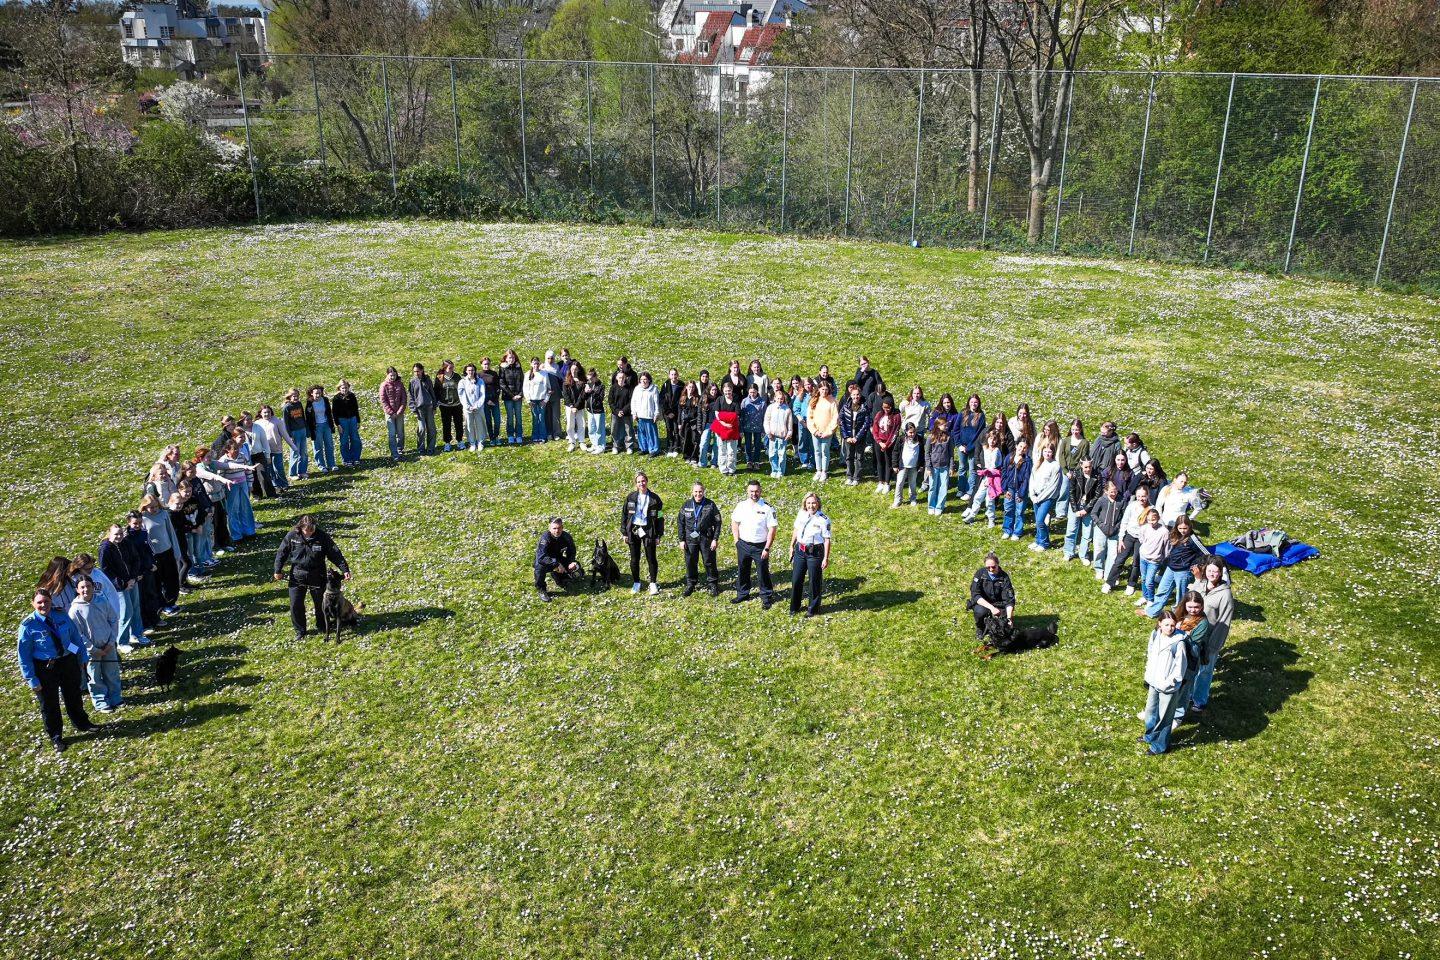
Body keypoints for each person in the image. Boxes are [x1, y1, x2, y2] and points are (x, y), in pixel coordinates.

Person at [16, 589, 96, 752]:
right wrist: (32, 679)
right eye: (39, 602)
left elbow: (75, 638)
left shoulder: (61, 616)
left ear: (51, 601)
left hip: (67, 661)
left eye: (46, 601)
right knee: (49, 703)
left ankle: (82, 723)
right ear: (33, 604)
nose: (43, 605)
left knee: (73, 695)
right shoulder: (28, 625)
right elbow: (24, 656)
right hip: (45, 667)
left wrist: (82, 657)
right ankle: (56, 736)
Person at [272, 515, 350, 641]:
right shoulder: (292, 536)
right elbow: (282, 552)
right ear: (300, 527)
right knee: (295, 604)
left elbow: (334, 553)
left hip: (317, 574)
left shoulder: (322, 536)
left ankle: (322, 626)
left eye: (312, 529)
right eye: (307, 530)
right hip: (297, 575)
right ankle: (300, 631)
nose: (310, 532)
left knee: (321, 603)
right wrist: (277, 570)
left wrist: (344, 569)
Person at [69, 576, 121, 713]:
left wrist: (111, 642)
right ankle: (100, 701)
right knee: (94, 676)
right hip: (91, 651)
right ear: (77, 590)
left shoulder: (102, 601)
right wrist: (92, 649)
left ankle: (115, 697)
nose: (86, 589)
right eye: (82, 587)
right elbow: (78, 634)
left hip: (108, 645)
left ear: (93, 587)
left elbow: (113, 620)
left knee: (112, 672)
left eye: (88, 586)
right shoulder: (74, 610)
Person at [1140, 609, 1189, 756]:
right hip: (1154, 681)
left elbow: (1180, 667)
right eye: (1167, 625)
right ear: (1159, 623)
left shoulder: (1179, 642)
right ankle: (1150, 736)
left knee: (1164, 717)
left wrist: (1170, 683)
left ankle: (1160, 746)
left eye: (1173, 625)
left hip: (1168, 686)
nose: (1170, 628)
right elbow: (1150, 654)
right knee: (1151, 712)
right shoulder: (1155, 635)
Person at [1143, 515, 1209, 618]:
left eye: (1185, 528)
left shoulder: (1193, 539)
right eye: (1180, 528)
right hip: (1171, 568)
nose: (1182, 531)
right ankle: (1152, 612)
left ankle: (1178, 615)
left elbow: (1206, 554)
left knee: (1181, 596)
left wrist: (1194, 565)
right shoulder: (1174, 535)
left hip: (1183, 571)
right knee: (1162, 591)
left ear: (1190, 527)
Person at [1191, 559, 1234, 715]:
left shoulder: (1225, 594)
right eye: (1209, 570)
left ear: (1221, 572)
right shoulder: (1200, 585)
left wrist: (1213, 647)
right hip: (1192, 636)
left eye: (1215, 571)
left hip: (1209, 640)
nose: (1212, 574)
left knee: (1205, 671)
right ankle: (1188, 694)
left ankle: (1199, 700)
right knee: (1191, 668)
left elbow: (1224, 622)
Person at [731, 480, 778, 609]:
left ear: (760, 491)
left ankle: (766, 596)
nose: (754, 494)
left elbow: (772, 530)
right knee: (743, 570)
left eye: (756, 491)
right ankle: (743, 594)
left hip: (760, 546)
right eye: (751, 491)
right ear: (747, 491)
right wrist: (737, 541)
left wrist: (767, 548)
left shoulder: (767, 508)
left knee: (762, 572)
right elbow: (735, 523)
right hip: (743, 544)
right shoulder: (741, 506)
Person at [1170, 591, 1211, 729]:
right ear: (1184, 604)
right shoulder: (1179, 615)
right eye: (1190, 606)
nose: (1193, 610)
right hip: (1171, 658)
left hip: (1189, 662)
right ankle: (1156, 710)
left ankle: (1177, 716)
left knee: (1183, 690)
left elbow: (1193, 644)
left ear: (1202, 606)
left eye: (1197, 607)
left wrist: (1179, 634)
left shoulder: (1203, 623)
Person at [788, 492, 832, 617]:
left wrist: (825, 558)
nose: (811, 506)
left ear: (818, 504)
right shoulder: (801, 514)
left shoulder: (823, 519)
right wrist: (791, 545)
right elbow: (796, 530)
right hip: (800, 551)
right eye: (808, 503)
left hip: (815, 553)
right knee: (796, 579)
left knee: (814, 581)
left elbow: (827, 539)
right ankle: (794, 607)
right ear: (805, 504)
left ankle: (813, 609)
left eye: (813, 503)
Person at [621, 473, 664, 595]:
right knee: (634, 559)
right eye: (639, 482)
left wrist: (658, 535)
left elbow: (660, 517)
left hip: (649, 530)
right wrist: (624, 532)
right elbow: (624, 515)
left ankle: (653, 583)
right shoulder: (631, 497)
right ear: (636, 484)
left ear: (647, 481)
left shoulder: (655, 499)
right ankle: (636, 582)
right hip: (634, 530)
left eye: (643, 481)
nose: (642, 483)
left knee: (651, 558)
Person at [139, 495, 182, 615]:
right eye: (151, 507)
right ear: (145, 507)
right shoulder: (142, 519)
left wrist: (176, 551)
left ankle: (171, 601)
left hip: (167, 551)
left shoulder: (163, 514)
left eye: (156, 506)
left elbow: (171, 532)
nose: (154, 509)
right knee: (158, 581)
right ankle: (162, 605)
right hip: (155, 555)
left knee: (172, 579)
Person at [678, 481, 721, 597]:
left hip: (706, 537)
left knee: (709, 561)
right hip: (690, 538)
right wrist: (681, 540)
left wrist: (715, 539)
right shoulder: (686, 505)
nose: (698, 494)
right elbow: (680, 523)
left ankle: (713, 584)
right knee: (690, 561)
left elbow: (718, 522)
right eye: (696, 492)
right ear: (692, 492)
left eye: (700, 491)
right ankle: (691, 584)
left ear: (704, 492)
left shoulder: (710, 505)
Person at [1063, 457, 1102, 563]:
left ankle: (1083, 555)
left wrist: (1087, 509)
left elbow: (1097, 495)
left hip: (1088, 508)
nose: (1088, 469)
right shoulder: (1076, 474)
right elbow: (1071, 492)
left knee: (1087, 534)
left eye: (1089, 466)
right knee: (1071, 530)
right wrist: (1075, 510)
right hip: (1075, 505)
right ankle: (1068, 552)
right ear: (1081, 465)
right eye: (1085, 467)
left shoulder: (1097, 475)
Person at [969, 552, 1015, 640]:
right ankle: (980, 628)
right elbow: (975, 595)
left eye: (993, 567)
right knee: (980, 612)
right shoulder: (980, 574)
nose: (990, 569)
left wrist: (1009, 618)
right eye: (988, 567)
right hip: (983, 603)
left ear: (998, 565)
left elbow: (1009, 600)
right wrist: (991, 608)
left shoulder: (1004, 577)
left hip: (999, 604)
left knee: (1004, 623)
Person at [963, 428, 1004, 526]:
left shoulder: (997, 451)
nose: (992, 441)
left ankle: (991, 519)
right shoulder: (985, 449)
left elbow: (995, 466)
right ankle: (972, 515)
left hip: (993, 477)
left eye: (994, 439)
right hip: (985, 476)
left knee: (989, 500)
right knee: (977, 497)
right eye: (990, 438)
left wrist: (989, 479)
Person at [1090, 479, 1126, 585]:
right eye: (1111, 491)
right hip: (1100, 530)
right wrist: (1100, 525)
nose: (1114, 493)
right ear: (1106, 491)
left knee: (1113, 554)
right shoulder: (1101, 500)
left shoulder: (1121, 501)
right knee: (1099, 549)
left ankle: (1109, 574)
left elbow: (1123, 517)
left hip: (1114, 532)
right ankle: (1099, 569)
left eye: (1115, 491)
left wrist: (1117, 527)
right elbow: (1093, 513)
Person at [533, 517, 578, 601]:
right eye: (554, 528)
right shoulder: (545, 539)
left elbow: (572, 551)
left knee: (577, 568)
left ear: (562, 527)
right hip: (546, 561)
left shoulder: (566, 537)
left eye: (559, 528)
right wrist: (556, 564)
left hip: (558, 558)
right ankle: (541, 589)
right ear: (549, 528)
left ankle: (560, 577)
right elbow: (541, 557)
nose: (557, 531)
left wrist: (571, 562)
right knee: (539, 568)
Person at [1028, 443, 1062, 551]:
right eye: (1045, 451)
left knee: (1040, 520)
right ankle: (1038, 540)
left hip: (1047, 497)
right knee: (1038, 519)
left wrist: (1040, 498)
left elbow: (1053, 486)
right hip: (1036, 496)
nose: (1047, 453)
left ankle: (1044, 543)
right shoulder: (1038, 463)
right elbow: (1032, 479)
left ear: (1053, 453)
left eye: (1049, 452)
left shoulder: (1055, 466)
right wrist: (1032, 494)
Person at [955, 394, 987, 502]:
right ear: (969, 402)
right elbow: (956, 430)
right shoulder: (963, 413)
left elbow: (980, 434)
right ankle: (961, 489)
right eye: (972, 402)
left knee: (972, 469)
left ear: (979, 403)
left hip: (973, 448)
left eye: (976, 402)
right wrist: (959, 445)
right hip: (961, 447)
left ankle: (969, 491)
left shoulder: (981, 416)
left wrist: (969, 447)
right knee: (962, 468)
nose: (974, 404)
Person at [839, 383, 871, 486]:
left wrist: (857, 437)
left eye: (857, 394)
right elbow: (841, 421)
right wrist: (846, 436)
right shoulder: (845, 407)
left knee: (859, 457)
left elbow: (866, 424)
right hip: (848, 436)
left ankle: (857, 477)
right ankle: (849, 476)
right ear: (850, 395)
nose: (855, 397)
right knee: (849, 456)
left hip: (859, 437)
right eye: (854, 395)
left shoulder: (864, 407)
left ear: (860, 395)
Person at [1001, 439, 1033, 540]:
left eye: (1024, 448)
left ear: (1027, 450)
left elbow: (1026, 478)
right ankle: (1007, 530)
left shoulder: (1027, 461)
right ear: (1016, 446)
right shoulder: (1009, 457)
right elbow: (1004, 473)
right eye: (1020, 446)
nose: (1022, 449)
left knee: (1019, 512)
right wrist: (1005, 490)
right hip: (1009, 489)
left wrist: (1021, 493)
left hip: (1020, 490)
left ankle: (1017, 532)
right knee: (1008, 509)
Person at [808, 382, 838, 483]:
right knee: (817, 451)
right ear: (819, 389)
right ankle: (818, 470)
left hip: (827, 432)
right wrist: (814, 431)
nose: (824, 391)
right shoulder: (814, 401)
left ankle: (824, 471)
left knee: (825, 451)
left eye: (826, 389)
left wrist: (829, 431)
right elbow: (810, 417)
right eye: (822, 389)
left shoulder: (832, 401)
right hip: (816, 432)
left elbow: (835, 417)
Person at [871, 396, 902, 494]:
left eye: (888, 408)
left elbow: (894, 432)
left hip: (889, 443)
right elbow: (875, 429)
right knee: (880, 462)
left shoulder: (896, 416)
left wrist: (887, 444)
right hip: (879, 442)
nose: (886, 410)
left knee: (888, 463)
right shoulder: (879, 414)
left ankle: (887, 483)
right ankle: (880, 481)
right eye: (884, 407)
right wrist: (879, 442)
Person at [764, 387, 795, 478]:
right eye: (778, 398)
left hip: (782, 436)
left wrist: (789, 433)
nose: (780, 400)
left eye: (781, 399)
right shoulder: (770, 408)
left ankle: (781, 471)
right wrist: (768, 432)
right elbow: (766, 421)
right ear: (775, 398)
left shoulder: (787, 410)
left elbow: (789, 424)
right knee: (772, 454)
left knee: (781, 454)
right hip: (772, 435)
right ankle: (774, 469)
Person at [305, 385, 337, 473]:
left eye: (319, 393)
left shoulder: (325, 400)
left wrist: (332, 425)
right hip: (316, 427)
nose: (318, 395)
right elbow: (308, 417)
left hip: (326, 425)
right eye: (316, 393)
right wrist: (311, 430)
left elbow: (329, 412)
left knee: (329, 445)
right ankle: (321, 466)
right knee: (318, 447)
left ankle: (332, 464)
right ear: (312, 394)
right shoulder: (309, 403)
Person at [434, 360, 464, 452]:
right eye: (450, 367)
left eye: (452, 367)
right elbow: (436, 391)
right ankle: (447, 442)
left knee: (458, 423)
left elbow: (461, 389)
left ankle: (460, 440)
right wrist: (437, 402)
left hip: (457, 404)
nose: (452, 369)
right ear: (445, 368)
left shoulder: (457, 376)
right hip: (444, 405)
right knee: (446, 424)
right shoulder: (439, 377)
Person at [925, 419, 954, 515]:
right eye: (944, 425)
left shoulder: (949, 437)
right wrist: (928, 467)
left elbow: (951, 453)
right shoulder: (931, 437)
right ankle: (931, 506)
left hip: (944, 467)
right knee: (933, 486)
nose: (946, 427)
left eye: (946, 425)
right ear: (938, 425)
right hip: (933, 466)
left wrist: (951, 467)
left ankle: (939, 506)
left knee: (943, 487)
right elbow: (927, 453)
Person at [379, 366, 407, 461]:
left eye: (394, 375)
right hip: (389, 414)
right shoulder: (384, 385)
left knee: (400, 432)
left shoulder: (400, 384)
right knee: (392, 434)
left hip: (399, 413)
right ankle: (394, 452)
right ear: (387, 375)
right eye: (391, 375)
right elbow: (383, 401)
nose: (393, 377)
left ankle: (400, 449)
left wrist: (399, 411)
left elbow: (404, 399)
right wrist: (391, 412)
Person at [892, 422, 923, 508]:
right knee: (899, 483)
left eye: (913, 432)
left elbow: (922, 453)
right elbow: (895, 452)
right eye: (910, 432)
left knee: (912, 483)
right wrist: (895, 465)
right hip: (902, 466)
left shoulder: (920, 439)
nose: (912, 434)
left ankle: (913, 498)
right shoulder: (901, 439)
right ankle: (897, 500)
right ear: (905, 431)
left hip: (914, 466)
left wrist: (921, 465)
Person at [408, 363, 437, 454]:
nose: (416, 373)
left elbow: (432, 393)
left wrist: (435, 406)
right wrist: (413, 408)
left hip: (429, 407)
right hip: (419, 409)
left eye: (418, 371)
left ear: (422, 370)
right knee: (421, 429)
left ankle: (430, 448)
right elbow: (411, 396)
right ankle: (421, 448)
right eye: (415, 371)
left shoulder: (427, 380)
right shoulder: (412, 382)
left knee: (431, 428)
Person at [281, 388, 310, 480]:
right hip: (294, 432)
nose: (296, 397)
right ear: (289, 397)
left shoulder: (299, 404)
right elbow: (286, 423)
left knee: (304, 452)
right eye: (294, 396)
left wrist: (307, 429)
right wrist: (289, 435)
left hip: (302, 430)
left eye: (297, 396)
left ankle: (302, 471)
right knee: (295, 453)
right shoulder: (287, 407)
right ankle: (292, 473)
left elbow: (303, 417)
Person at [333, 379, 363, 467]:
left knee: (355, 439)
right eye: (342, 388)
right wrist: (338, 424)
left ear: (348, 387)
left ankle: (356, 457)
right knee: (344, 440)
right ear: (339, 388)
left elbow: (356, 409)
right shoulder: (336, 398)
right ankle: (347, 459)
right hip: (342, 420)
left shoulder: (352, 396)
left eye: (346, 388)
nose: (344, 389)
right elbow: (334, 412)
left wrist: (358, 421)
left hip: (352, 419)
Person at [631, 372, 661, 456]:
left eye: (645, 379)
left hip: (650, 416)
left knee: (651, 433)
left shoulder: (654, 389)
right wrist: (634, 413)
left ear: (649, 380)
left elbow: (656, 403)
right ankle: (644, 448)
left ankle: (654, 449)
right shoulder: (637, 389)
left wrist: (656, 414)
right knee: (641, 433)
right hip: (640, 415)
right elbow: (633, 402)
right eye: (641, 379)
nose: (643, 381)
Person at [459, 363, 487, 453]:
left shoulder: (480, 381)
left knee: (480, 425)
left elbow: (482, 394)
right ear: (466, 371)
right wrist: (468, 406)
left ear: (475, 371)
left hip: (478, 408)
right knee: (469, 425)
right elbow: (461, 395)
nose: (471, 372)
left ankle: (480, 442)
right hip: (468, 409)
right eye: (469, 370)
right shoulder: (462, 382)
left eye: (472, 370)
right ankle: (472, 443)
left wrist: (477, 406)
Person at [499, 350, 525, 445]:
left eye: (513, 357)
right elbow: (502, 383)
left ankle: (519, 435)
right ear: (506, 358)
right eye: (509, 357)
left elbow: (523, 382)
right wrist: (512, 395)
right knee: (510, 416)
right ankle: (510, 435)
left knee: (518, 416)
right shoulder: (503, 368)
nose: (511, 359)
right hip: (508, 397)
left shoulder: (518, 367)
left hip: (518, 396)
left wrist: (520, 394)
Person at [523, 358, 551, 444]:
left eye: (537, 364)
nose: (536, 365)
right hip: (532, 401)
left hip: (542, 400)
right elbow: (525, 388)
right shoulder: (528, 374)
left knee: (541, 418)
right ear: (531, 364)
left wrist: (546, 400)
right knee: (535, 418)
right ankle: (535, 436)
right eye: (534, 363)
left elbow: (548, 388)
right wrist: (528, 400)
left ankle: (543, 436)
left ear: (539, 364)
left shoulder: (544, 374)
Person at [740, 383, 766, 470]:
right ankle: (749, 461)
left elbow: (764, 416)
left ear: (757, 391)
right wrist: (741, 428)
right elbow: (742, 415)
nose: (752, 394)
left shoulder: (762, 402)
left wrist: (763, 430)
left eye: (754, 392)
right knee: (748, 444)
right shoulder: (744, 401)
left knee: (757, 445)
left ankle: (756, 461)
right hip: (747, 427)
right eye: (750, 392)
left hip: (758, 427)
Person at [561, 363, 586, 452]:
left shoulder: (583, 381)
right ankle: (572, 442)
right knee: (570, 425)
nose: (574, 371)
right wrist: (572, 406)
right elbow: (565, 395)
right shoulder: (566, 381)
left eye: (575, 369)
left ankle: (582, 441)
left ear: (578, 370)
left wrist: (577, 406)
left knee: (581, 424)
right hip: (570, 407)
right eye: (572, 369)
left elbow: (583, 395)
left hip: (580, 407)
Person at [608, 369, 634, 454]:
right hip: (615, 413)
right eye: (619, 377)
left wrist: (623, 411)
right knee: (614, 430)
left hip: (626, 413)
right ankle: (616, 446)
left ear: (625, 378)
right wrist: (617, 411)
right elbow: (610, 402)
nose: (621, 379)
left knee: (628, 430)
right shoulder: (613, 388)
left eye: (623, 377)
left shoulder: (629, 388)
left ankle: (629, 446)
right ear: (616, 378)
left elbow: (631, 401)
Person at [660, 368, 684, 457]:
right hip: (667, 413)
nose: (673, 376)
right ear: (669, 375)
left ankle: (676, 447)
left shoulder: (681, 385)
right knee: (669, 430)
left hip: (677, 412)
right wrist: (668, 412)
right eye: (672, 374)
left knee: (676, 430)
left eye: (675, 374)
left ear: (678, 375)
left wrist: (674, 412)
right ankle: (670, 447)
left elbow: (682, 400)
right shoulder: (666, 385)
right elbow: (662, 400)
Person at [583, 367, 608, 454]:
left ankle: (601, 446)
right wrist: (586, 392)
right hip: (590, 410)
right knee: (591, 428)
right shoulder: (587, 385)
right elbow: (584, 398)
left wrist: (592, 391)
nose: (589, 380)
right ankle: (594, 444)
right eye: (588, 379)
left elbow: (600, 398)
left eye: (591, 379)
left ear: (595, 377)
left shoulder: (601, 386)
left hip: (598, 411)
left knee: (599, 429)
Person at [677, 382, 702, 464]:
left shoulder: (697, 398)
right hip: (685, 423)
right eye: (690, 387)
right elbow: (680, 411)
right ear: (686, 387)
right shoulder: (682, 398)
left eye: (693, 387)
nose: (691, 389)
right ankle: (686, 456)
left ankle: (694, 457)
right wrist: (679, 423)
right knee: (686, 439)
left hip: (694, 422)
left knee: (694, 440)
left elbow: (698, 412)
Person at [478, 357, 502, 443]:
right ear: (481, 365)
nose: (486, 366)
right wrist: (486, 400)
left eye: (488, 364)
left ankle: (496, 436)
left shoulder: (494, 374)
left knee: (497, 420)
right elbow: (478, 390)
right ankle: (491, 437)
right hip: (484, 401)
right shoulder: (479, 375)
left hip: (494, 400)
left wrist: (494, 399)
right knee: (488, 420)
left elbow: (498, 388)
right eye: (484, 364)